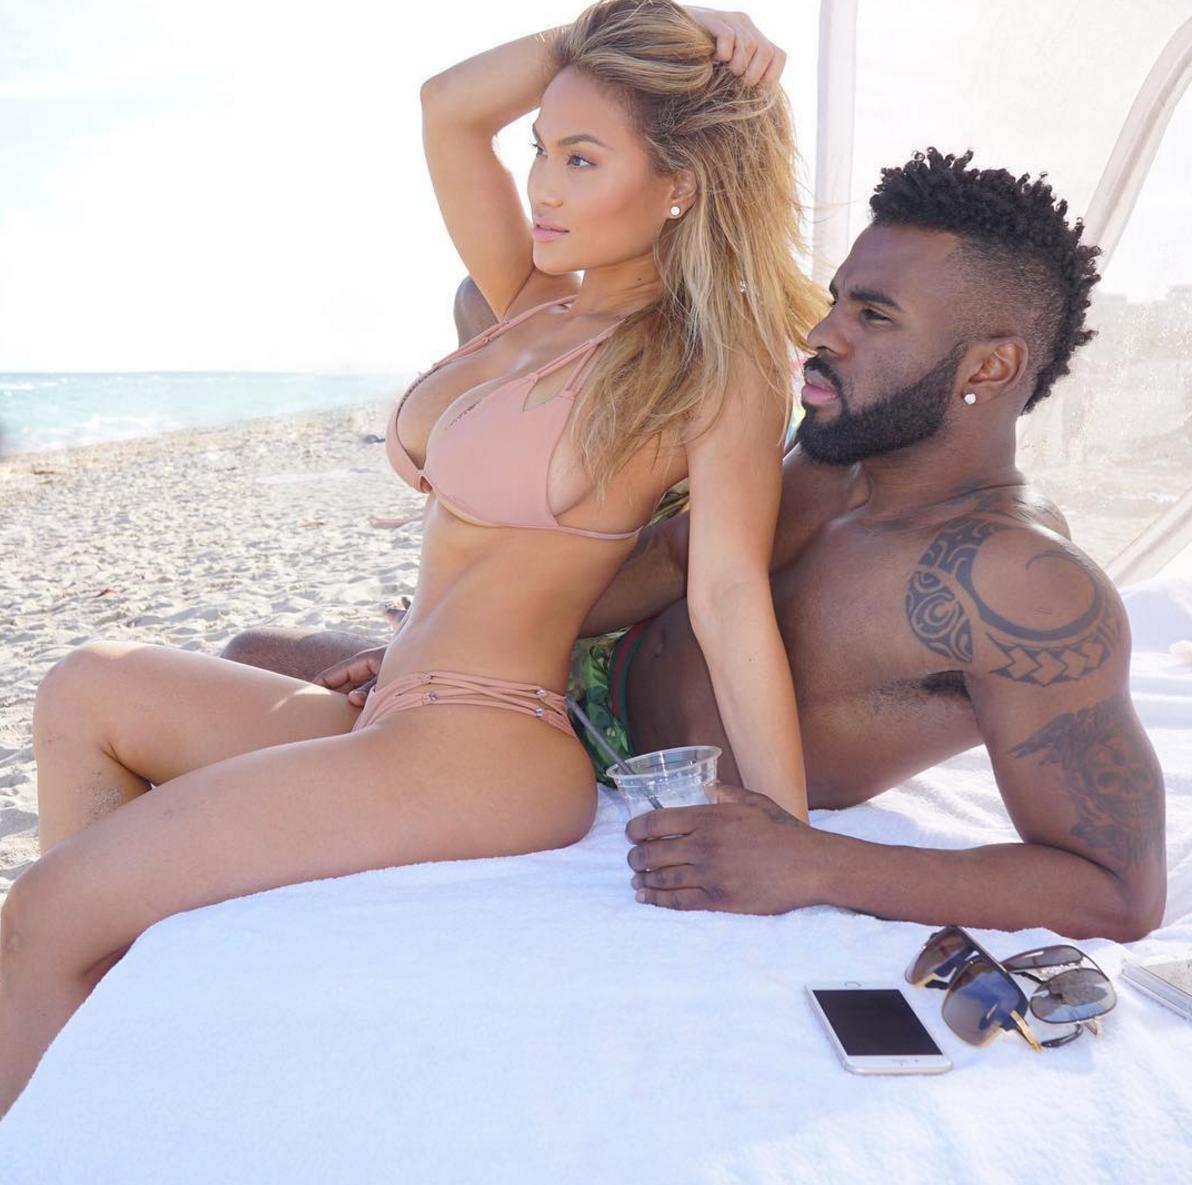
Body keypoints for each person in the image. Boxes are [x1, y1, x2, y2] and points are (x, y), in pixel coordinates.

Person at [1, 1, 825, 1116]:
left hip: (486, 746)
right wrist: (627, 22)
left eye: (582, 158)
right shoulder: (531, 302)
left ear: (679, 181)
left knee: (44, 909)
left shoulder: (711, 366)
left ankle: (55, 1068)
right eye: (542, 149)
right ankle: (100, 1037)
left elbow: (726, 596)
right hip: (392, 711)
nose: (543, 186)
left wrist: (789, 834)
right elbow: (447, 109)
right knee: (87, 686)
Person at [243, 150, 1167, 942]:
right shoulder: (835, 455)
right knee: (256, 649)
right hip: (553, 677)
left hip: (594, 760)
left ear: (991, 366)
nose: (822, 334)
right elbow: (678, 558)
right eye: (836, 301)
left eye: (873, 316)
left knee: (250, 707)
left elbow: (1117, 891)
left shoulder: (1021, 583)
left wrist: (814, 861)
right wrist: (450, 643)